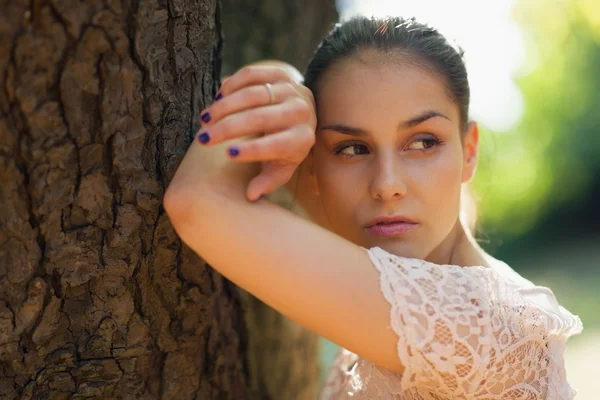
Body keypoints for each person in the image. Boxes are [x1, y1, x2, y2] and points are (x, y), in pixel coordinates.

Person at [164, 16, 583, 399]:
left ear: (468, 151)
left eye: (423, 142)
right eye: (352, 148)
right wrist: (288, 90)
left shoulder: (482, 326)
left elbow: (198, 200)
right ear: (315, 164)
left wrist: (282, 92)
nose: (386, 186)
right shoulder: (391, 290)